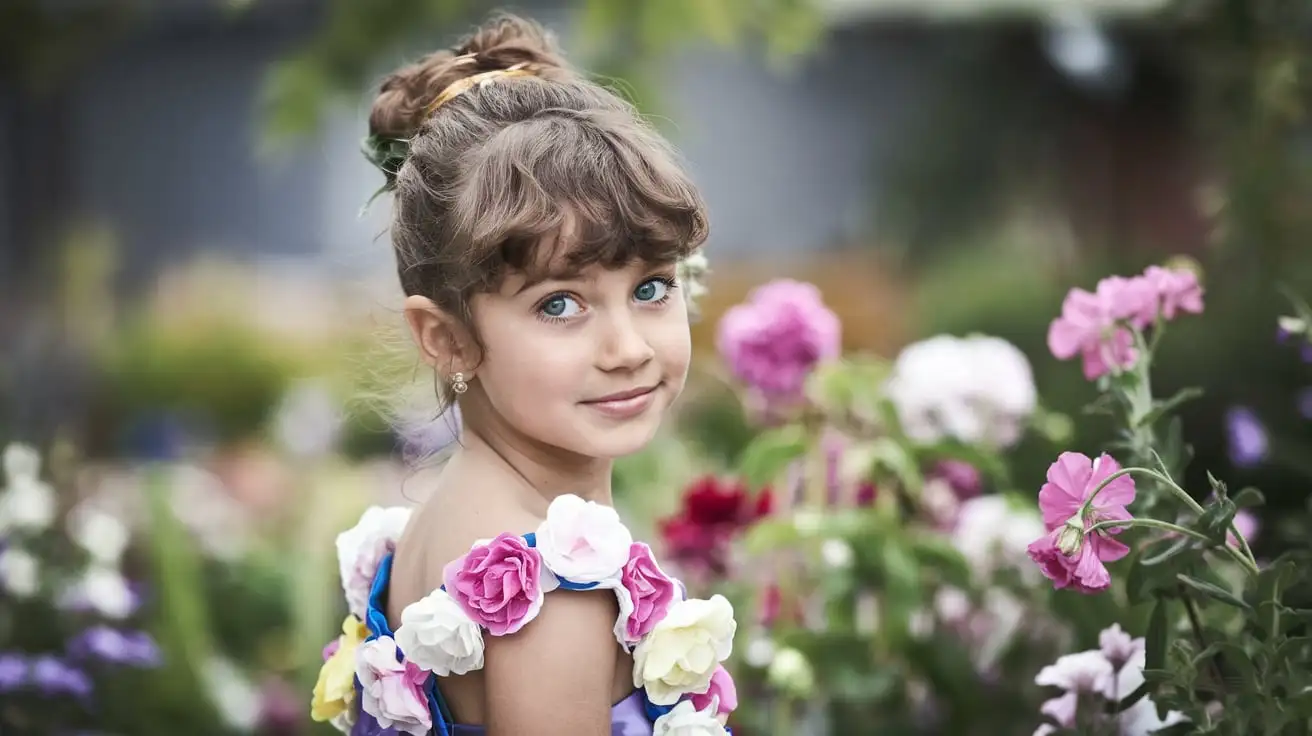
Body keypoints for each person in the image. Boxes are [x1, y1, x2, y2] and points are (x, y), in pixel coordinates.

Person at [310, 13, 739, 736]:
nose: (628, 347)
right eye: (560, 304)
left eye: (651, 287)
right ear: (447, 338)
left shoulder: (449, 521)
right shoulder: (548, 594)